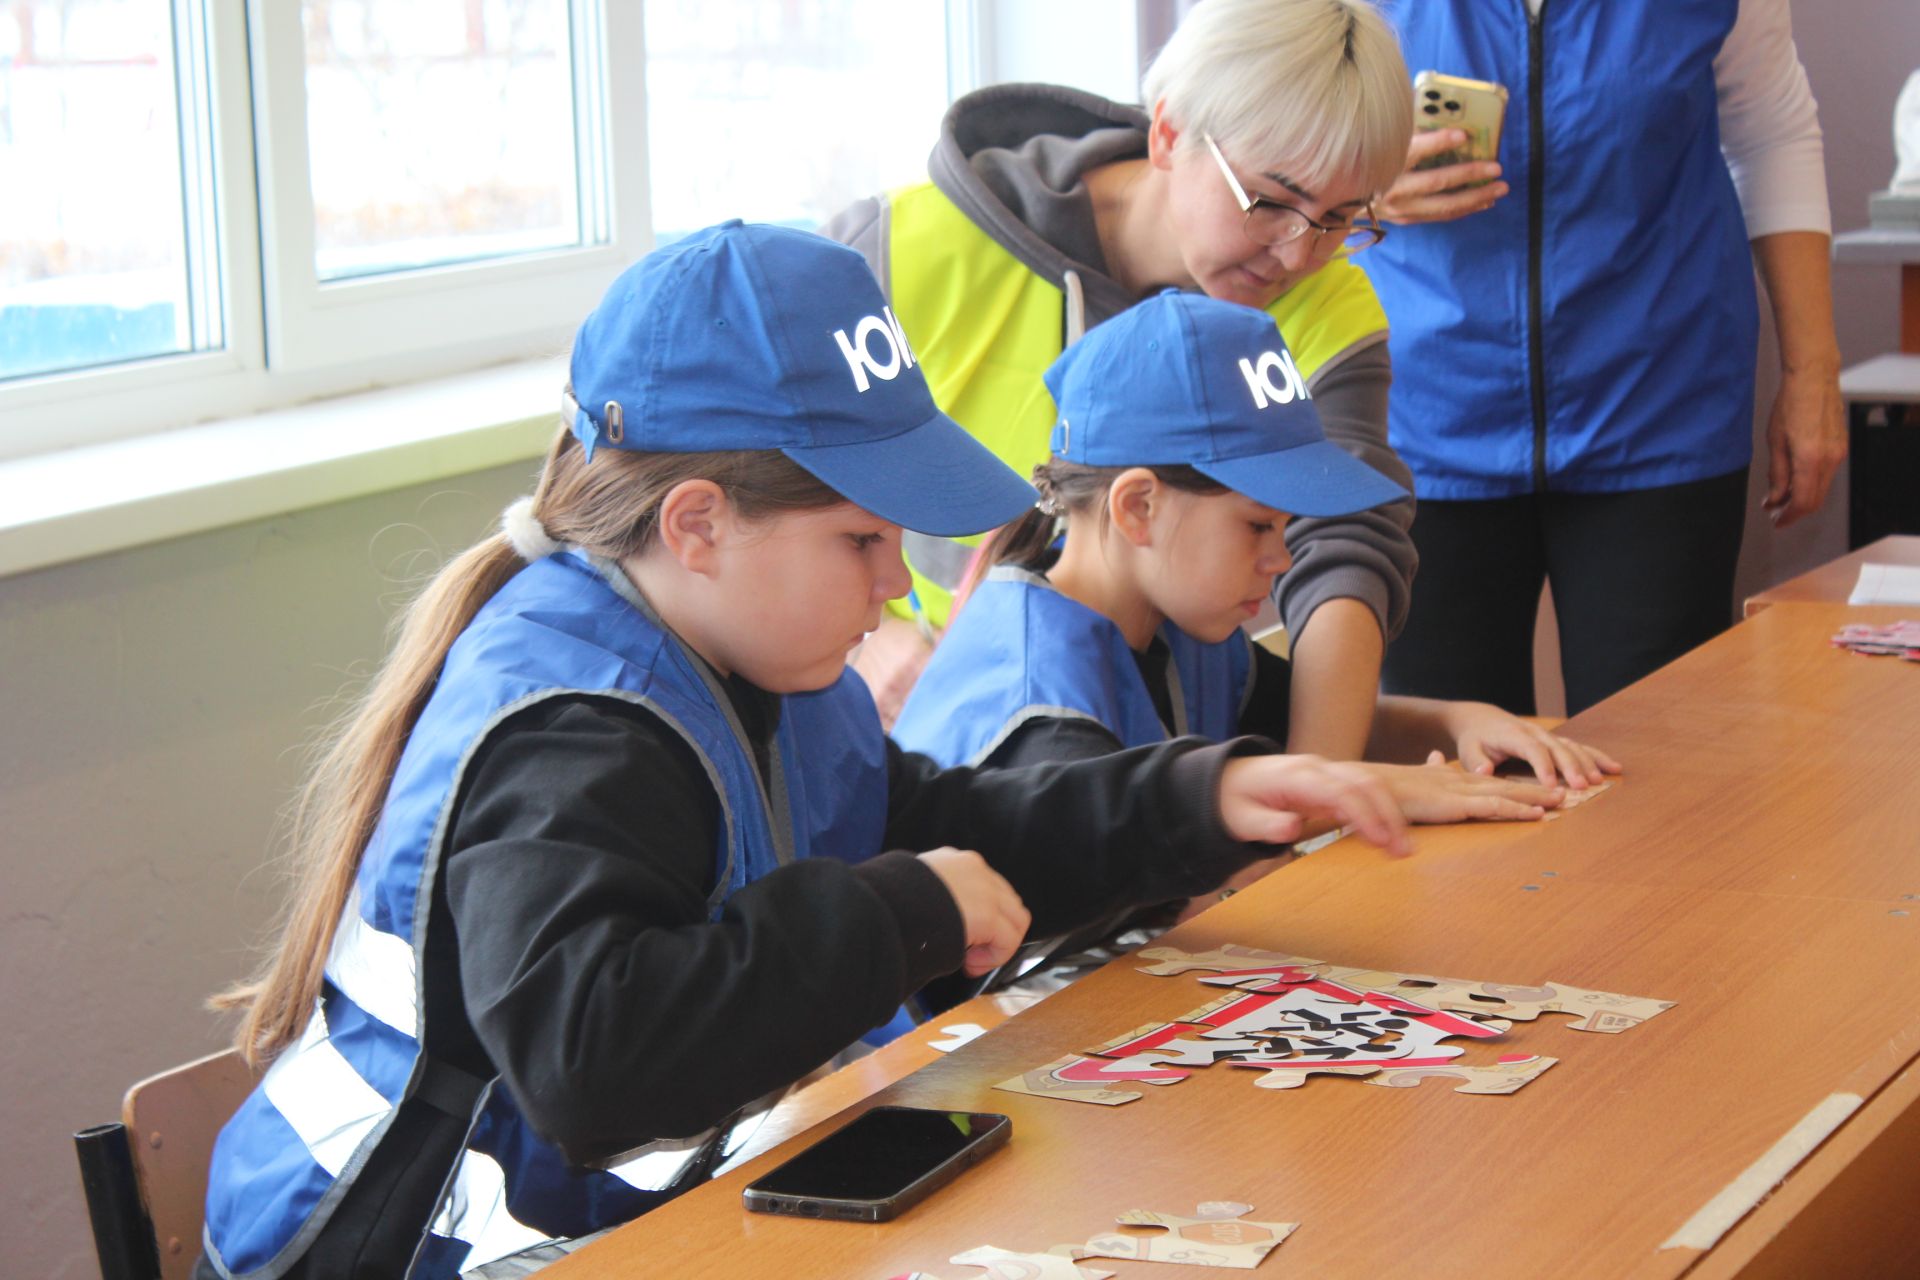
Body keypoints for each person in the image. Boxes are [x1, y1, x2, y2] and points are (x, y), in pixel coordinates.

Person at [194, 223, 1492, 1280]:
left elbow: (942, 818)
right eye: (863, 544)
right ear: (697, 525)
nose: (899, 585)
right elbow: (595, 1059)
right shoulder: (580, 726)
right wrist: (896, 911)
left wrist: (1206, 793)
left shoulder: (768, 654)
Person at [826, 0, 1418, 761]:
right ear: (1168, 132)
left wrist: (1324, 782)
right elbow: (768, 482)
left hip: (1151, 738)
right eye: (1272, 201)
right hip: (910, 724)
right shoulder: (900, 249)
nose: (1301, 252)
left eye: (1342, 218)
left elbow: (1348, 543)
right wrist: (876, 635)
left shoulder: (1330, 301)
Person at [895, 291, 1620, 806]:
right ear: (1139, 507)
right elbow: (1149, 892)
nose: (1281, 561)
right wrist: (1361, 793)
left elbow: (1309, 721)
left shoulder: (1183, 624)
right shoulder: (1039, 707)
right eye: (1257, 527)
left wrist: (1462, 721)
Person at [1367, 0, 1847, 715]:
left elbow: (1770, 130)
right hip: (1419, 418)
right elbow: (1247, 130)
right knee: (1445, 775)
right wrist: (1358, 184)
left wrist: (1814, 372)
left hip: (1661, 406)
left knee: (1661, 771)